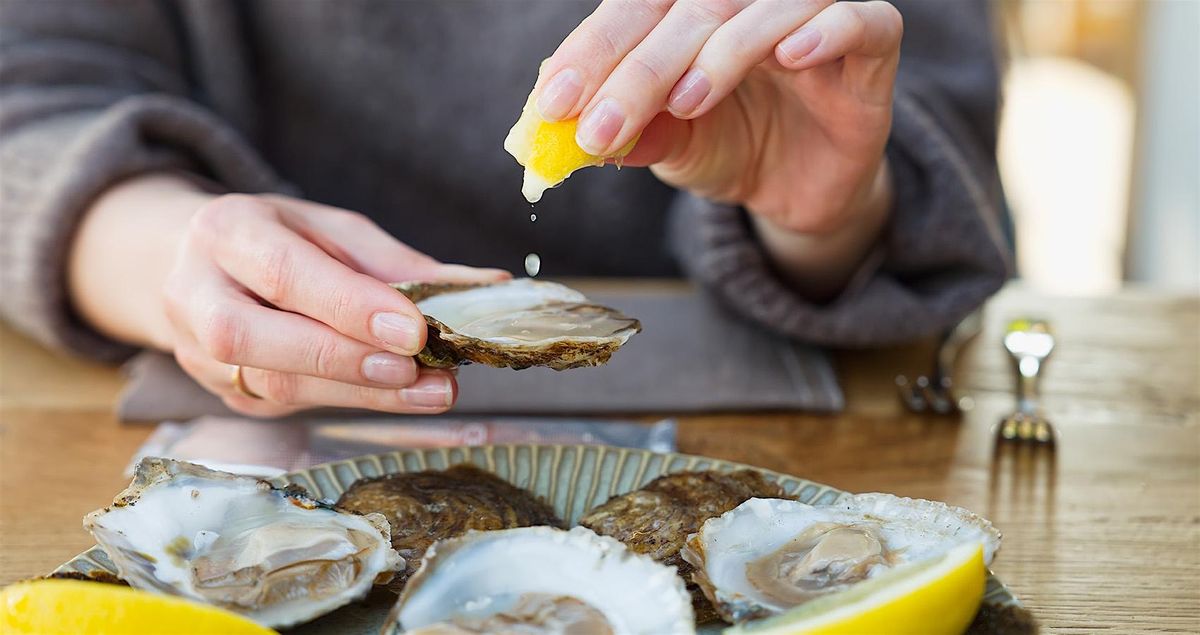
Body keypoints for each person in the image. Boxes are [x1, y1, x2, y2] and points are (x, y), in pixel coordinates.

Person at [0, 0, 1010, 418]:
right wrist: (166, 245)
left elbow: (925, 88)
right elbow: (31, 89)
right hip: (229, 430)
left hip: (781, 407)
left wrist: (823, 214)